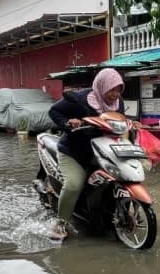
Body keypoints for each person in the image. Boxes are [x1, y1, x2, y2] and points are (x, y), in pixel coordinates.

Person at [47, 68, 125, 241]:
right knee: (74, 184)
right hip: (74, 152)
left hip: (103, 150)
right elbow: (54, 111)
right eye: (112, 89)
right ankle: (60, 224)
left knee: (119, 177)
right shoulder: (81, 99)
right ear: (102, 86)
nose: (115, 94)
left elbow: (121, 120)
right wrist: (68, 123)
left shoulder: (119, 103)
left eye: (118, 89)